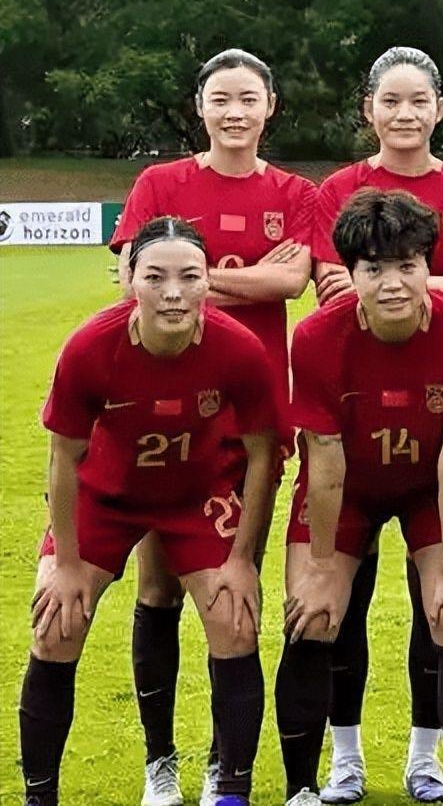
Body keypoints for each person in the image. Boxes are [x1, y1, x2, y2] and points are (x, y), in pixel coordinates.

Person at [108, 49, 315, 806]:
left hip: (249, 423)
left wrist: (183, 278)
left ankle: (225, 770)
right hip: (162, 416)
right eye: (220, 98)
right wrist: (242, 277)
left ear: (270, 107)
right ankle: (159, 762)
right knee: (158, 586)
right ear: (200, 107)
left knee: (234, 590)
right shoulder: (160, 183)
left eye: (248, 98)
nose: (234, 112)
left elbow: (291, 280)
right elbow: (132, 283)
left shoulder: (293, 192)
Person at [20, 217, 281, 806]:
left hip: (196, 496)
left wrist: (242, 559)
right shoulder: (90, 346)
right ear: (129, 278)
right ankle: (42, 796)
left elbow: (265, 453)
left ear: (208, 280)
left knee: (235, 618)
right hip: (106, 498)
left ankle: (230, 789)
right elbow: (63, 457)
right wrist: (66, 564)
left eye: (190, 276)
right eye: (155, 277)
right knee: (57, 624)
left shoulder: (239, 348)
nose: (173, 293)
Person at [310, 47, 443, 804]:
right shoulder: (337, 189)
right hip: (355, 416)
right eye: (390, 100)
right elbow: (333, 294)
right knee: (338, 602)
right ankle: (344, 760)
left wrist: (397, 283)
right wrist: (429, 281)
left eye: (419, 100)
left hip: (441, 414)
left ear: (440, 109)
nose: (405, 113)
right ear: (369, 110)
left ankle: (429, 760)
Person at [273, 188, 443, 806]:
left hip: (431, 487)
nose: (393, 283)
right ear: (350, 273)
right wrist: (322, 565)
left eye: (407, 265)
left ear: (428, 265)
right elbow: (324, 462)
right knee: (315, 613)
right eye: (374, 269)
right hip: (347, 490)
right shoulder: (316, 337)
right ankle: (314, 780)